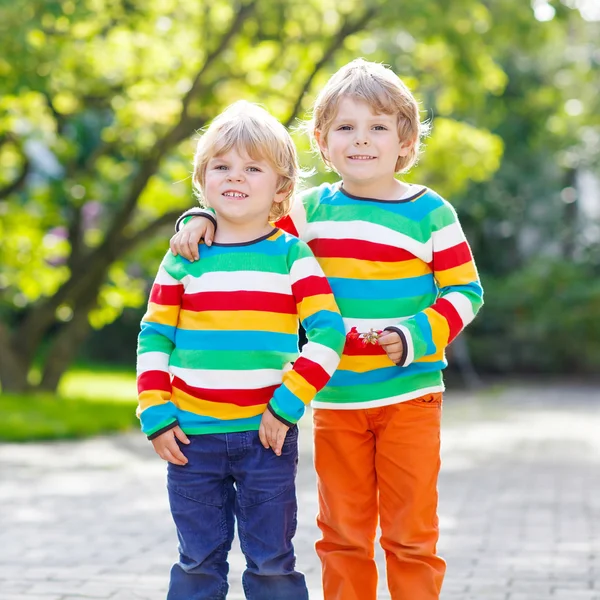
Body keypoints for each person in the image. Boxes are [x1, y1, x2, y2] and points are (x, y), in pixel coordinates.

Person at [170, 59, 484, 600]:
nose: (361, 140)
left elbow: (465, 291)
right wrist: (196, 219)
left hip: (410, 397)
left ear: (405, 141)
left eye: (378, 127)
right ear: (321, 139)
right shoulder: (307, 210)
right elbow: (244, 222)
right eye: (346, 127)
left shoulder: (431, 212)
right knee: (343, 534)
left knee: (410, 534)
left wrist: (415, 334)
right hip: (334, 402)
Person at [136, 100, 346, 600]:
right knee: (197, 562)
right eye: (222, 166)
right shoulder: (185, 257)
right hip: (191, 440)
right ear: (202, 178)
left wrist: (288, 403)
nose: (236, 176)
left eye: (253, 168)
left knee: (272, 563)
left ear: (281, 188)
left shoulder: (291, 255)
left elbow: (328, 333)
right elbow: (154, 336)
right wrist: (155, 412)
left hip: (265, 437)